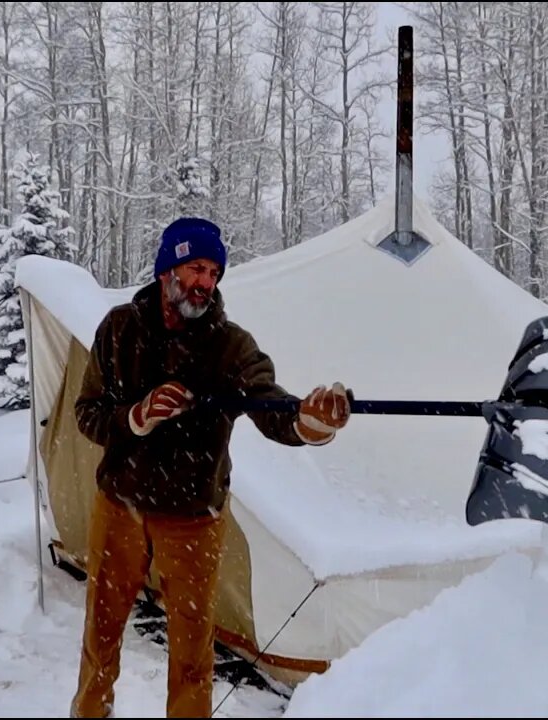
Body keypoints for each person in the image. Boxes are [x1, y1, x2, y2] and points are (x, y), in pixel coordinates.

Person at [69, 216, 351, 718]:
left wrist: (312, 422)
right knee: (101, 635)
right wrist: (135, 416)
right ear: (166, 271)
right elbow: (87, 412)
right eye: (195, 267)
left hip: (194, 520)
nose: (205, 282)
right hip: (119, 508)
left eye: (213, 273)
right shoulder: (119, 329)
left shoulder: (231, 346)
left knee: (193, 655)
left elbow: (274, 411)